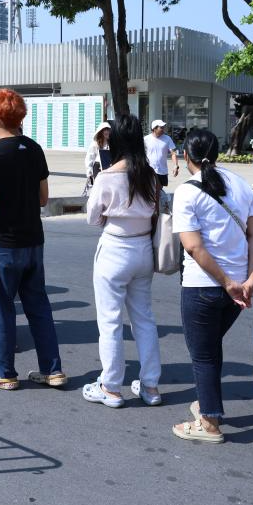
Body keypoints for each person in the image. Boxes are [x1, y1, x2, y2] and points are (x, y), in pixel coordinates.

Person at [171, 129, 253, 443]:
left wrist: (226, 282)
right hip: (238, 288)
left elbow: (193, 247)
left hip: (204, 286)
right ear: (218, 152)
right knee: (210, 349)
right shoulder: (243, 185)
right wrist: (251, 278)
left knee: (203, 355)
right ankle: (207, 406)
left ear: (186, 156)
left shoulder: (187, 192)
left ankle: (209, 423)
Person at [0, 88, 65, 390]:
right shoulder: (34, 149)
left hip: (2, 242)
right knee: (38, 306)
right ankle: (52, 369)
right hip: (33, 239)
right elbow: (43, 198)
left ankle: (4, 372)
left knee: (0, 308)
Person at [83, 114, 163, 408]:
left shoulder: (107, 176)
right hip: (143, 249)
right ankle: (151, 386)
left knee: (110, 321)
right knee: (144, 318)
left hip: (115, 249)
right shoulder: (150, 175)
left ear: (115, 140)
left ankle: (111, 387)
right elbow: (158, 209)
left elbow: (93, 218)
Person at [144, 119, 180, 189]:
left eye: (163, 127)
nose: (163, 129)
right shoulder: (146, 139)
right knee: (149, 189)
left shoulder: (167, 139)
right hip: (148, 170)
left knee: (159, 190)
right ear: (154, 128)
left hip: (162, 170)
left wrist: (175, 165)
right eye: (161, 127)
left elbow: (173, 153)